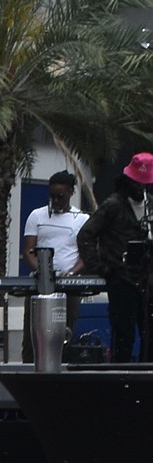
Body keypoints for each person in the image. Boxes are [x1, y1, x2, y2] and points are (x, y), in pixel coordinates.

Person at [76, 153, 153, 365]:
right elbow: (86, 235)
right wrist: (101, 268)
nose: (141, 189)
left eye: (144, 184)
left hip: (147, 279)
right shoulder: (114, 205)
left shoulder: (150, 205)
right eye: (137, 183)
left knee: (149, 335)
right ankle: (121, 381)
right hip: (121, 278)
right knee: (123, 336)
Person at [21, 170, 88, 363]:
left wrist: (72, 273)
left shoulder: (81, 219)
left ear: (71, 193)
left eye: (61, 197)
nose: (56, 201)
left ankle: (61, 375)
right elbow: (28, 251)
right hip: (40, 283)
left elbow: (86, 256)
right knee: (32, 335)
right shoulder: (37, 216)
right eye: (52, 196)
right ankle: (29, 375)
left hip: (69, 285)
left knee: (65, 334)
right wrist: (41, 270)